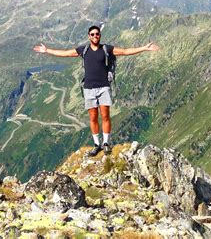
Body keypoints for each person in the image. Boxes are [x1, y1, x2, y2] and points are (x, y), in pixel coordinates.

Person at [33, 25, 159, 156]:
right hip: (88, 88)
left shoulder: (106, 49)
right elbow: (65, 53)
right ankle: (96, 145)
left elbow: (125, 51)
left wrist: (144, 48)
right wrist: (47, 50)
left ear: (100, 35)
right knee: (93, 117)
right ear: (89, 36)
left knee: (105, 115)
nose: (95, 36)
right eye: (92, 34)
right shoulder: (84, 50)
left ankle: (106, 143)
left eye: (97, 34)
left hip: (104, 87)